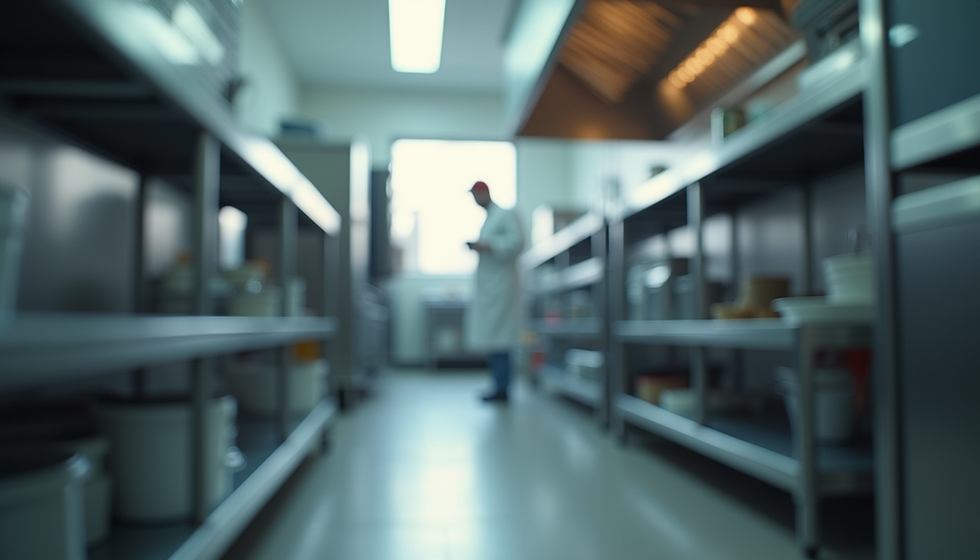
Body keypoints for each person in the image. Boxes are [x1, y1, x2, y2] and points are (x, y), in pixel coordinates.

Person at [464, 180, 525, 403]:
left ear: (485, 193)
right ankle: (497, 386)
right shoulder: (490, 218)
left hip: (502, 287)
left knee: (502, 340)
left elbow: (517, 242)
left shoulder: (505, 214)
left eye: (475, 195)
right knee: (495, 340)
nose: (474, 200)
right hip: (491, 287)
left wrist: (488, 245)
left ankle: (502, 389)